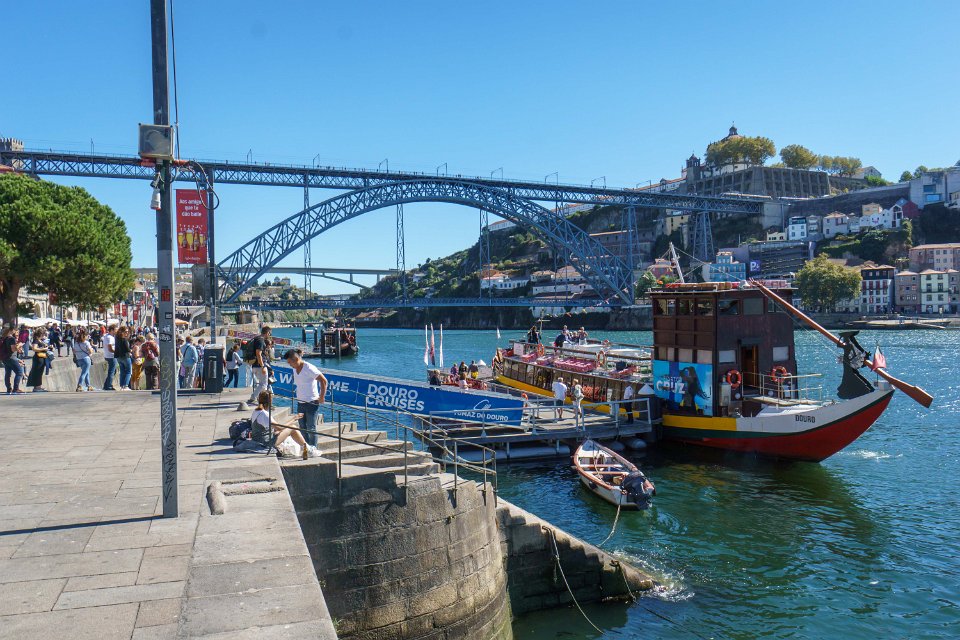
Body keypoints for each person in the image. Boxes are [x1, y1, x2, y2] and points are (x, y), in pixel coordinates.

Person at [284, 349, 328, 447]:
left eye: (290, 362)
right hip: (300, 402)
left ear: (296, 359)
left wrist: (322, 397)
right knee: (302, 427)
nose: (289, 365)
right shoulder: (294, 369)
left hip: (312, 402)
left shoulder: (309, 368)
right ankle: (306, 448)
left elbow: (323, 381)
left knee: (311, 428)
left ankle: (313, 448)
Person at [250, 391, 311, 460]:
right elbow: (280, 428)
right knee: (293, 428)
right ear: (270, 401)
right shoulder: (265, 414)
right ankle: (308, 449)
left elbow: (271, 429)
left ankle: (306, 448)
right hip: (265, 443)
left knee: (283, 430)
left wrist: (277, 432)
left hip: (258, 440)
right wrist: (294, 418)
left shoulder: (256, 411)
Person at [247, 326, 272, 404]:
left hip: (255, 365)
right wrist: (263, 366)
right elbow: (258, 353)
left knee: (262, 384)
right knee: (263, 384)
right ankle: (253, 398)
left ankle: (260, 400)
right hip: (259, 365)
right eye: (269, 333)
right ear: (267, 333)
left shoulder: (256, 339)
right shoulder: (260, 340)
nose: (270, 335)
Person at [1, 327, 24, 394]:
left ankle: (9, 389)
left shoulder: (4, 338)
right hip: (11, 358)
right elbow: (13, 349)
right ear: (11, 330)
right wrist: (19, 345)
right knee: (19, 372)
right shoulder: (11, 338)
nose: (16, 332)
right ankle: (15, 389)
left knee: (7, 374)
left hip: (5, 358)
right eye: (15, 330)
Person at [27, 328, 49, 392]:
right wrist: (43, 349)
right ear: (41, 334)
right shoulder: (36, 340)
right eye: (43, 334)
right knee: (37, 372)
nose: (44, 335)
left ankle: (38, 386)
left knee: (40, 372)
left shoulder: (40, 340)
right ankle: (37, 387)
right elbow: (34, 348)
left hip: (41, 357)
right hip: (38, 358)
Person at [102, 325, 117, 391]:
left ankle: (106, 385)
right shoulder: (110, 337)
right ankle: (109, 386)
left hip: (108, 355)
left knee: (113, 371)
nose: (116, 331)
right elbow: (110, 347)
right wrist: (116, 352)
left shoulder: (107, 336)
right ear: (112, 330)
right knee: (112, 371)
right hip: (111, 356)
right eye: (115, 330)